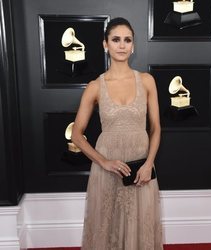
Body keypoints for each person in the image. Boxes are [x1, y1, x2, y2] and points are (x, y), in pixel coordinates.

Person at [72, 17, 163, 250]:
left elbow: (156, 128)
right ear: (105, 45)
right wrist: (104, 162)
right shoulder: (95, 86)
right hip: (108, 166)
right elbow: (77, 134)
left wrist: (149, 164)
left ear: (133, 46)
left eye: (127, 40)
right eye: (115, 40)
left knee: (139, 223)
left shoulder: (146, 81)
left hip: (140, 165)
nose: (122, 45)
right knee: (106, 224)